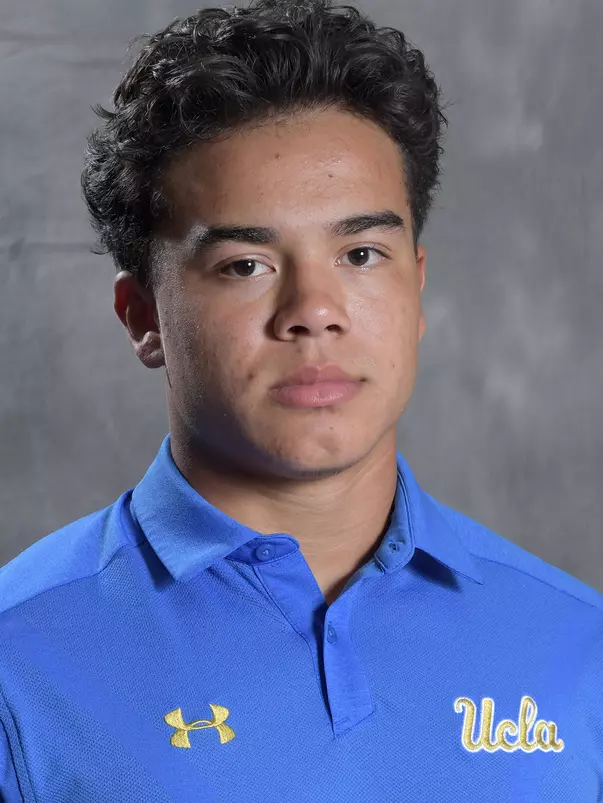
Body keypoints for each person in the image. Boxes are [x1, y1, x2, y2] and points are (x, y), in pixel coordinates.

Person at [1, 0, 601, 799]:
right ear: (142, 315)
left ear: (415, 287)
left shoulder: (577, 642)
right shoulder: (20, 659)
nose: (313, 309)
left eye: (359, 252)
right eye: (245, 264)